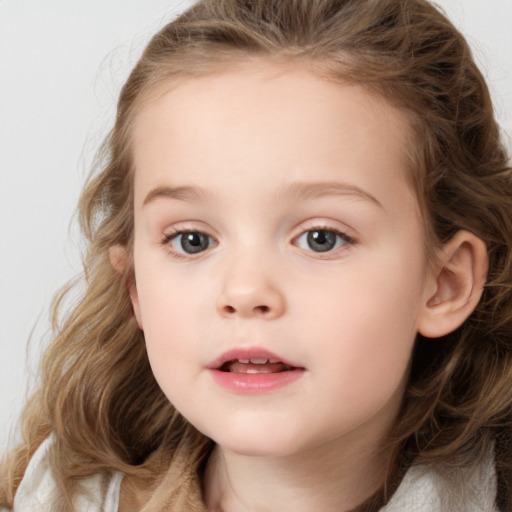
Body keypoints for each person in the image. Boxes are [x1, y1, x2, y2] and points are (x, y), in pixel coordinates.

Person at [1, 0, 512, 510]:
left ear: (445, 283)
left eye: (321, 238)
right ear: (134, 286)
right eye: (192, 240)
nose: (244, 292)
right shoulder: (45, 497)